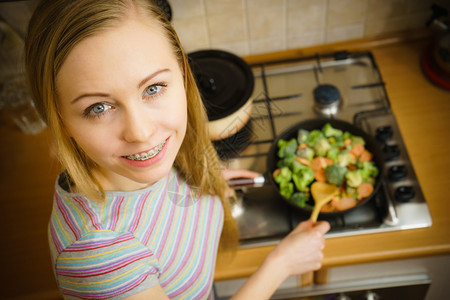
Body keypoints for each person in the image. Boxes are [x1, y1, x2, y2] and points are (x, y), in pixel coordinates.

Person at [25, 0, 330, 299]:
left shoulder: (141, 164)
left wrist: (202, 185)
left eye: (153, 88)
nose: (141, 133)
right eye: (99, 107)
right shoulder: (99, 257)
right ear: (60, 120)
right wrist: (281, 264)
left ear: (183, 75)